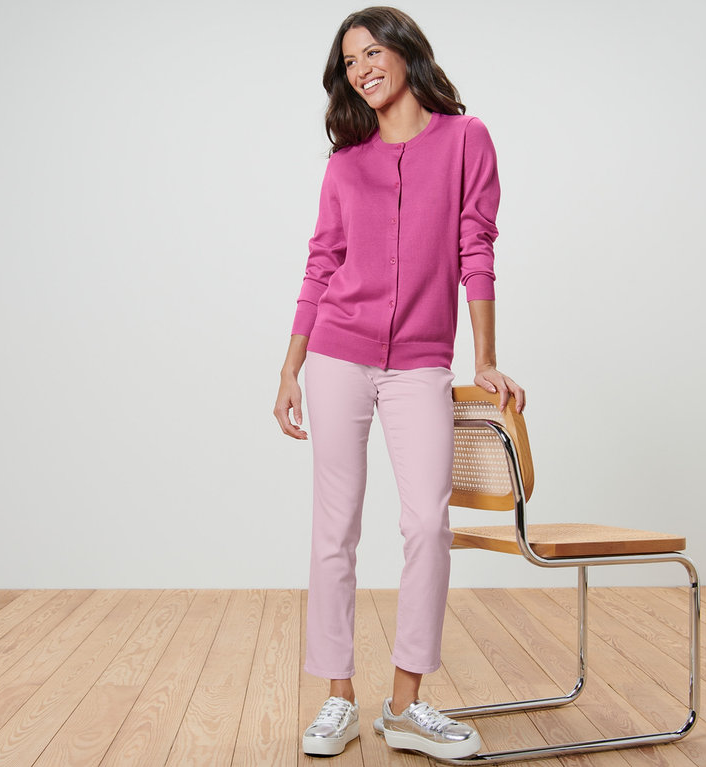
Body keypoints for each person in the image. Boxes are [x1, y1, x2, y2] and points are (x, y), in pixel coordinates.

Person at [273, 6, 524, 760]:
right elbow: (322, 261)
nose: (361, 70)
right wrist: (290, 365)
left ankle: (407, 704)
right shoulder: (346, 163)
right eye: (349, 62)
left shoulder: (466, 139)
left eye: (372, 52)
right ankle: (337, 697)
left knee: (427, 524)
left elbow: (475, 245)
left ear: (407, 52)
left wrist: (484, 358)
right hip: (337, 354)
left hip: (420, 359)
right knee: (335, 528)